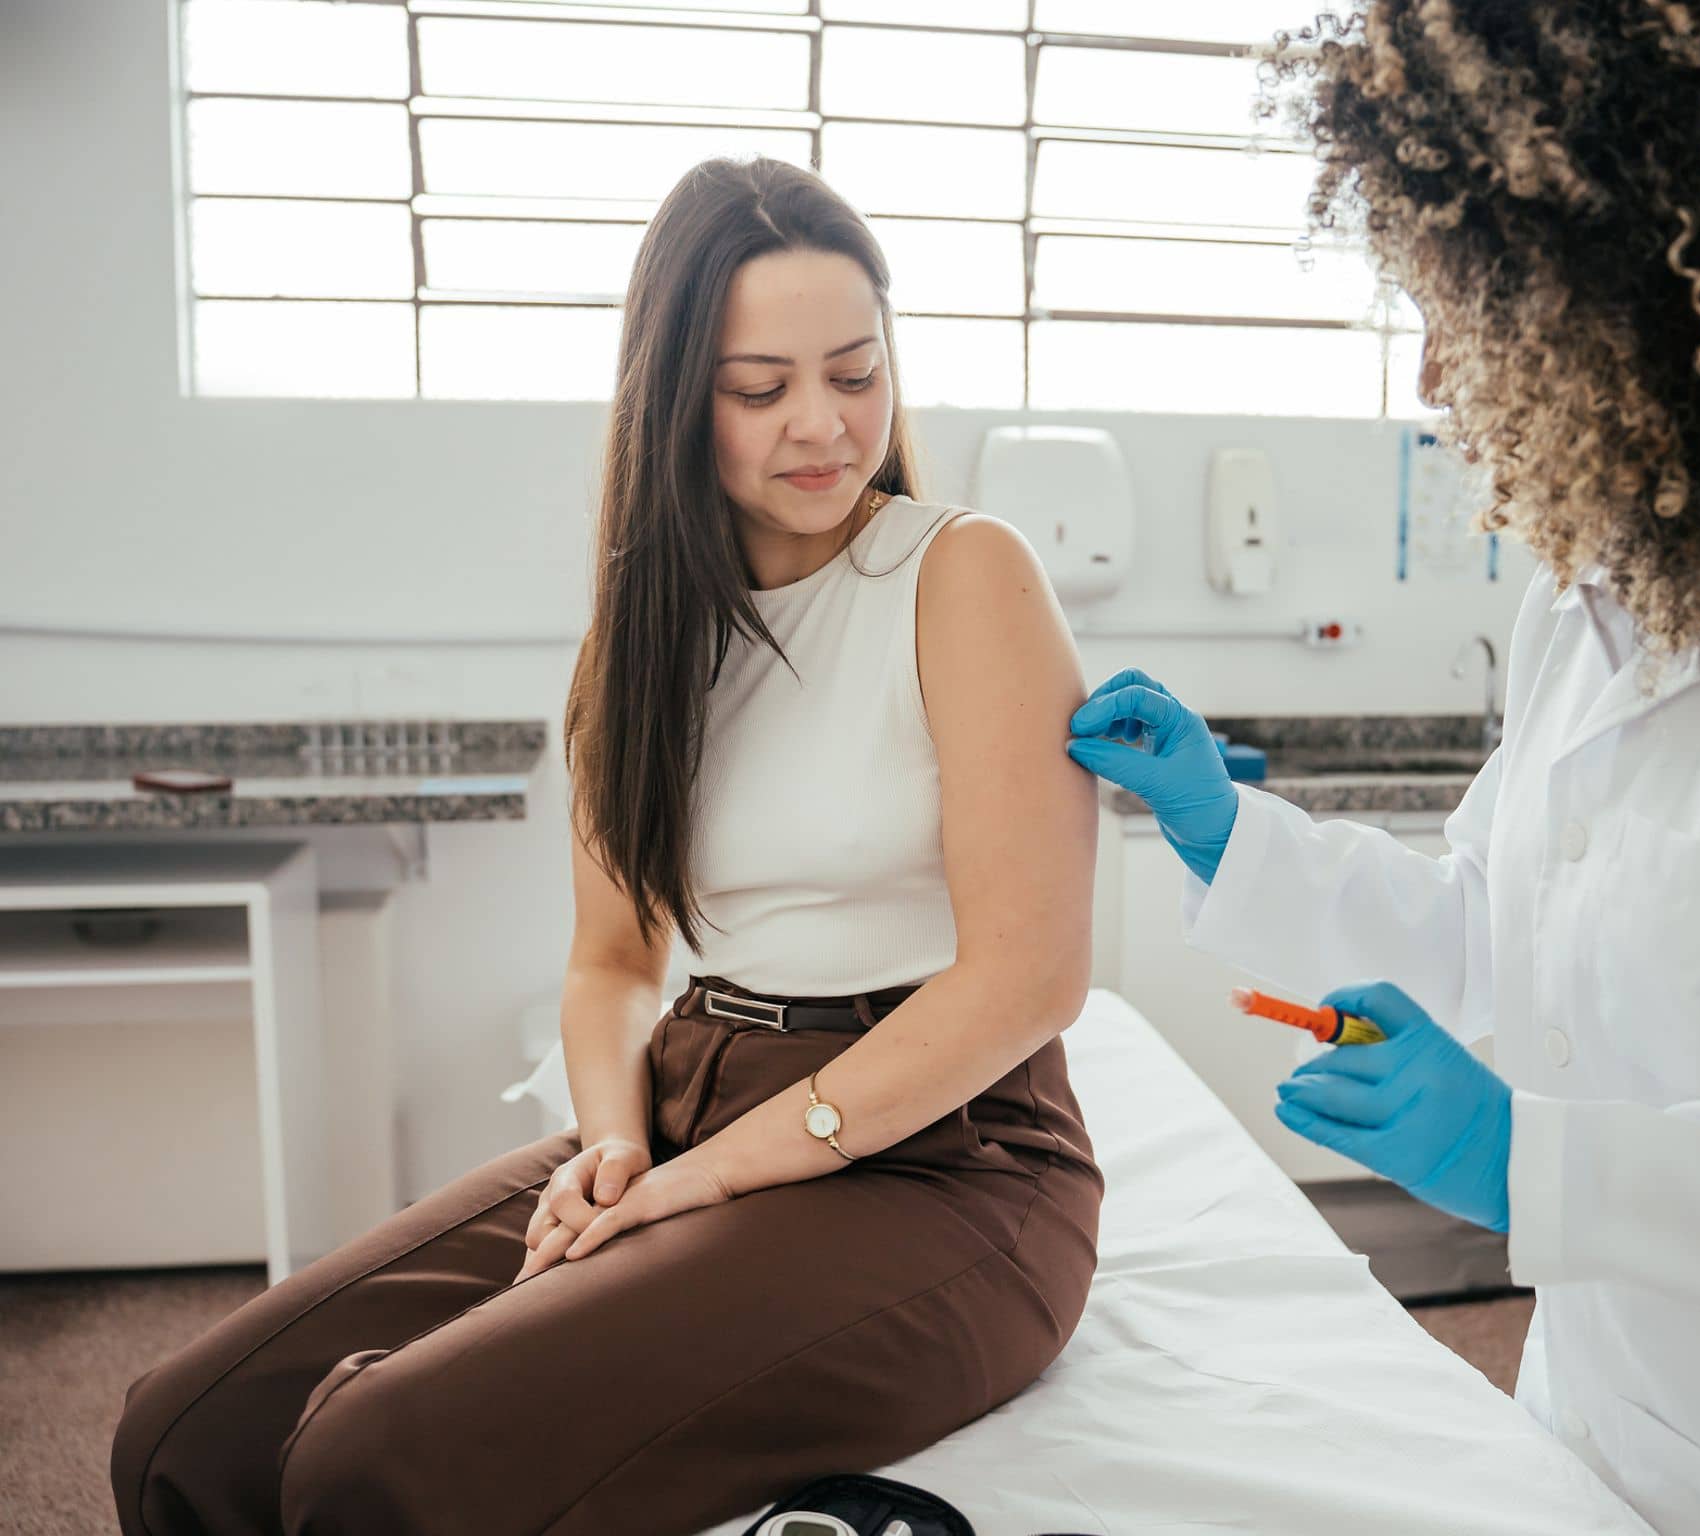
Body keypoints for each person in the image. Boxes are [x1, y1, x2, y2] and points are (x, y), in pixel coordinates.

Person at [1070, 4, 1700, 1534]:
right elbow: (1496, 923)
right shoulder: (1591, 604)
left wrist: (1547, 1171)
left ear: (1658, 290)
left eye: (1472, 315)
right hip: (1594, 1427)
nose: (1443, 385)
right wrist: (1230, 837)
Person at [111, 157, 1103, 1535]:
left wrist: (703, 1183)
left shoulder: (961, 575)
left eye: (855, 371)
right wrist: (622, 1149)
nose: (822, 423)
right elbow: (613, 962)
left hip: (948, 1161)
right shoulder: (637, 649)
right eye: (760, 388)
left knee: (369, 1464)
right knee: (180, 1436)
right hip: (698, 1090)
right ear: (675, 396)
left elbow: (1027, 981)